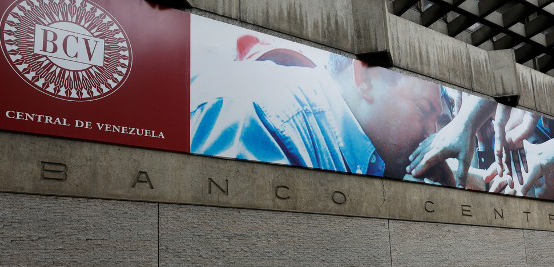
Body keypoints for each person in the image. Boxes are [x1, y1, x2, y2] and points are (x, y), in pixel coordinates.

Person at [190, 33, 454, 181]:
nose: (432, 135)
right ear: (366, 79)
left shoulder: (368, 155)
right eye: (422, 109)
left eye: (437, 120)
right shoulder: (266, 118)